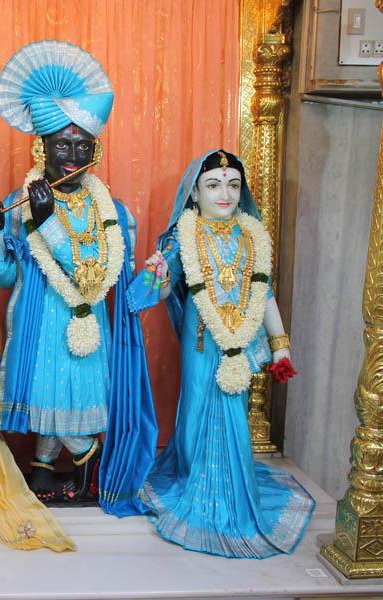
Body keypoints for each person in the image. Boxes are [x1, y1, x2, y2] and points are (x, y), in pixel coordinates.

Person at [0, 41, 157, 513]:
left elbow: (94, 275)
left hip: (84, 325)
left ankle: (87, 460)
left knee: (69, 398)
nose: (73, 155)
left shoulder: (113, 212)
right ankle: (42, 468)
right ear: (42, 148)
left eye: (83, 146)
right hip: (37, 323)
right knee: (44, 395)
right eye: (62, 145)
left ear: (96, 149)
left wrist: (49, 224)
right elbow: (4, 278)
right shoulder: (19, 204)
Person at [128, 149, 313, 558]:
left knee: (233, 412)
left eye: (233, 185)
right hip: (201, 343)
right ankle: (193, 473)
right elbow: (162, 291)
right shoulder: (184, 237)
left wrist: (280, 345)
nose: (225, 194)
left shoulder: (252, 236)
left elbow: (264, 292)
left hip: (239, 346)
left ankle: (234, 488)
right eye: (213, 185)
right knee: (195, 411)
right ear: (194, 193)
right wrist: (159, 274)